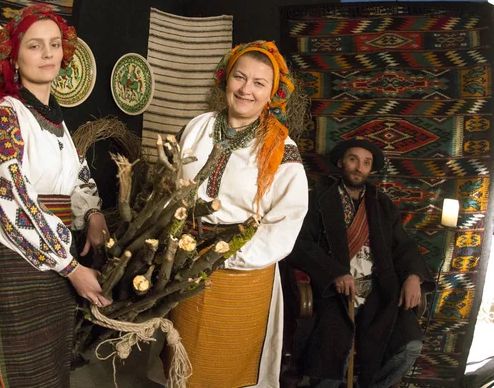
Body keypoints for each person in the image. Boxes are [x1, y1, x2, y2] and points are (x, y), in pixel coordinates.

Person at [0, 4, 111, 387]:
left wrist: (93, 214)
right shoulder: (4, 114)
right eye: (35, 46)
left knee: (51, 369)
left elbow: (74, 174)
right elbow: (12, 198)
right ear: (14, 58)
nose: (48, 53)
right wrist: (70, 267)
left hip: (57, 258)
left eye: (54, 44)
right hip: (19, 260)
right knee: (18, 371)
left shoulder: (55, 118)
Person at [168, 40, 309, 387]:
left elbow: (287, 219)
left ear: (273, 92)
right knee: (183, 361)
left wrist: (230, 255)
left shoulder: (280, 148)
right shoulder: (198, 126)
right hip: (187, 263)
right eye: (240, 78)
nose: (246, 89)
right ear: (225, 79)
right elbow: (173, 186)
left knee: (228, 369)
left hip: (243, 273)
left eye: (259, 83)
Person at [287, 137, 435, 388]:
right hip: (334, 294)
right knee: (331, 361)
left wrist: (413, 276)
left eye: (366, 163)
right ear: (340, 162)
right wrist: (334, 272)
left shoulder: (382, 204)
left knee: (409, 345)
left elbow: (403, 245)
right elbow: (300, 244)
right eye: (353, 160)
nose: (359, 167)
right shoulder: (317, 200)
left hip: (380, 291)